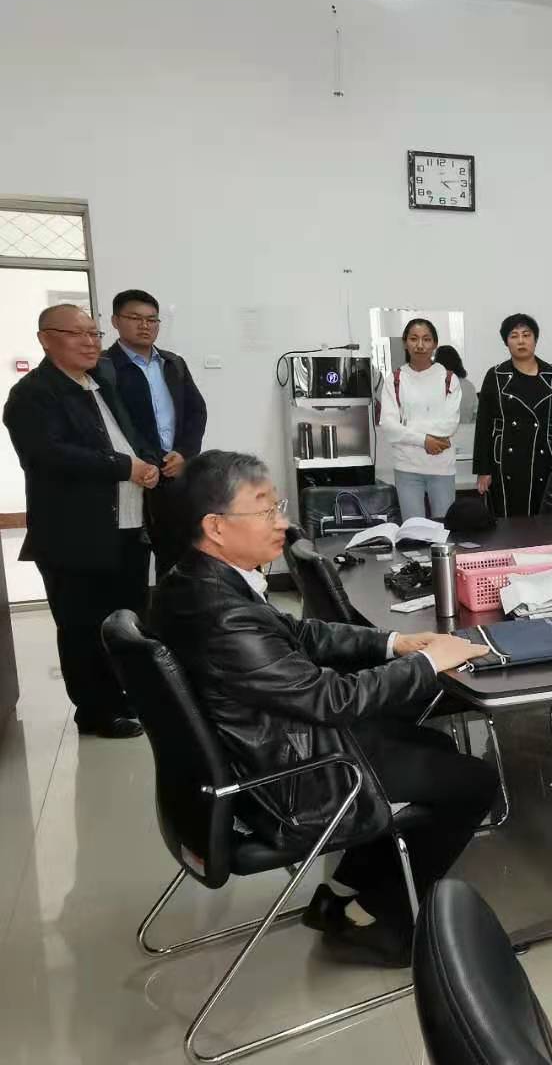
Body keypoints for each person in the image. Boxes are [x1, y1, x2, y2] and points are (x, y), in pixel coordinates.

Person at [149, 450, 497, 966]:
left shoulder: (195, 581)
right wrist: (427, 663)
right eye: (264, 509)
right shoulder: (224, 617)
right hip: (289, 778)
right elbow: (332, 700)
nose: (281, 522)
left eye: (277, 506)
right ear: (216, 526)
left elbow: (299, 633)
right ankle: (382, 920)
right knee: (475, 782)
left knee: (433, 745)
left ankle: (344, 892)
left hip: (261, 749)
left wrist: (394, 642)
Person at [3, 304, 160, 739]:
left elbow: (127, 437)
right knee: (82, 627)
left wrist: (146, 463)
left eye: (94, 333)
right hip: (74, 534)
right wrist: (123, 467)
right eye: (78, 334)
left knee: (125, 619)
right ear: (45, 339)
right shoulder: (33, 394)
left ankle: (125, 697)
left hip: (127, 525)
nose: (91, 342)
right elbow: (48, 455)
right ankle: (95, 711)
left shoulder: (99, 383)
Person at [105, 288, 208, 578]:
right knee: (130, 564)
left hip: (173, 473)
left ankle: (171, 606)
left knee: (177, 558)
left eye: (152, 319)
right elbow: (114, 425)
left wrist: (185, 453)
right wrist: (147, 459)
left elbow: (196, 412)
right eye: (135, 318)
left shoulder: (173, 363)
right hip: (130, 477)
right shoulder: (104, 367)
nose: (145, 326)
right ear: (115, 321)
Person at [472, 313, 552, 517]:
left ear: (535, 339)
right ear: (506, 342)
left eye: (526, 335)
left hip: (544, 460)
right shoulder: (495, 375)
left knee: (544, 521)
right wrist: (483, 470)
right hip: (504, 461)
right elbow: (483, 425)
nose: (521, 341)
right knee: (507, 520)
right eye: (514, 336)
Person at [378, 318, 461, 522]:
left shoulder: (448, 378)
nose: (420, 345)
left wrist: (407, 428)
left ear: (435, 343)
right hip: (407, 468)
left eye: (426, 339)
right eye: (414, 339)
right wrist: (424, 440)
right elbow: (389, 426)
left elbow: (450, 424)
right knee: (413, 530)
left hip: (441, 466)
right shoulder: (394, 380)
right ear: (405, 342)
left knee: (444, 529)